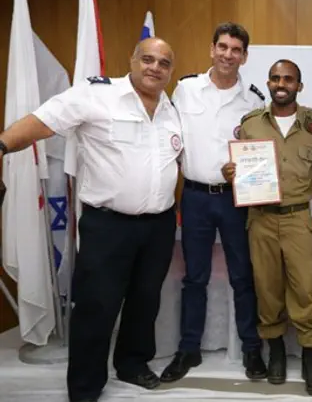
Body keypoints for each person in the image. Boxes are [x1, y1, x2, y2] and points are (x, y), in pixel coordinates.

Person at [0, 38, 180, 402]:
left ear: (169, 71)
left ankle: (131, 363)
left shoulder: (170, 108)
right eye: (147, 59)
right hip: (108, 225)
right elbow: (43, 121)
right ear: (131, 60)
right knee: (97, 305)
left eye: (163, 63)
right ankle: (84, 385)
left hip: (159, 225)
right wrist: (2, 144)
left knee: (145, 301)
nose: (154, 68)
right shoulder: (96, 95)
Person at [161, 23, 267, 383]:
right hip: (193, 197)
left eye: (236, 49)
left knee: (243, 277)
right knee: (195, 277)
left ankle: (251, 348)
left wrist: (247, 169)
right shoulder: (186, 89)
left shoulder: (254, 100)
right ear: (212, 49)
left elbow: (259, 153)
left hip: (236, 200)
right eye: (222, 47)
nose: (228, 55)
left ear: (244, 56)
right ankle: (188, 348)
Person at [221, 59, 312, 396]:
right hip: (261, 219)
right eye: (275, 78)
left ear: (299, 85)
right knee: (266, 288)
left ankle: (311, 356)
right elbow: (240, 165)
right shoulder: (252, 124)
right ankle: (277, 353)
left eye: (289, 79)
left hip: (298, 218)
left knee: (304, 289)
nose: (281, 83)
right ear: (268, 83)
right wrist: (232, 174)